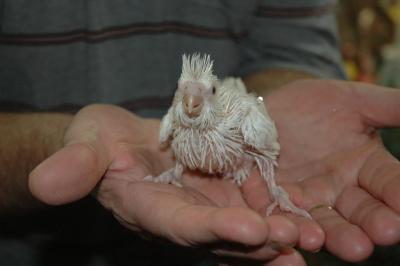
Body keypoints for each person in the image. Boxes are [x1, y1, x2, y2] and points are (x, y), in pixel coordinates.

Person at [1, 0, 400, 265]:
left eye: (202, 95)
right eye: (184, 94)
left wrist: (269, 148)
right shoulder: (175, 120)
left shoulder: (242, 118)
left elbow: (291, 52)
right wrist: (60, 139)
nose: (190, 104)